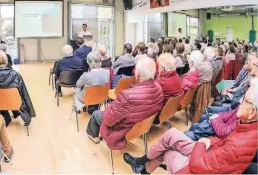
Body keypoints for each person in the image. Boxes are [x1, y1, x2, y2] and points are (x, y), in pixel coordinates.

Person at [124, 78, 258, 174]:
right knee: (171, 134)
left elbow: (198, 165)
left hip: (200, 163)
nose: (240, 100)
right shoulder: (247, 126)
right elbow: (225, 137)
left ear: (252, 111)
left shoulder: (241, 142)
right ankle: (141, 163)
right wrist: (210, 140)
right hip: (211, 151)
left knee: (166, 151)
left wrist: (202, 143)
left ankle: (142, 168)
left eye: (245, 100)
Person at [86, 57, 164, 147]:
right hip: (141, 127)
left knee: (96, 114)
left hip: (122, 130)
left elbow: (108, 119)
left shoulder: (127, 96)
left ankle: (93, 136)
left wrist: (109, 109)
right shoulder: (159, 88)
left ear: (137, 74)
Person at [0, 50, 36, 126]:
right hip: (14, 103)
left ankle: (5, 115)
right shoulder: (15, 75)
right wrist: (29, 113)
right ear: (6, 60)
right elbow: (24, 94)